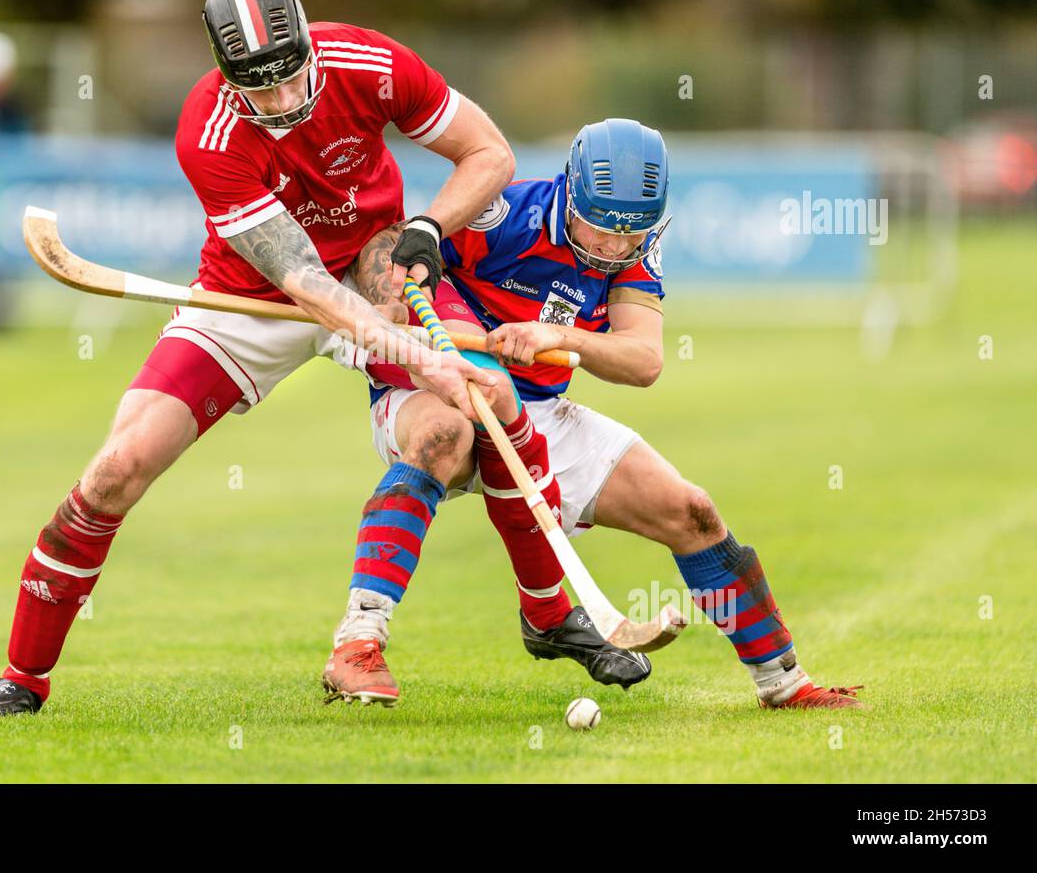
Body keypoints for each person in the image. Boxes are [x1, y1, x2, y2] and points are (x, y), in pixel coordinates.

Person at [0, 0, 511, 717]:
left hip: (370, 260)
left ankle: (428, 633)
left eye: (291, 78)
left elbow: (490, 154)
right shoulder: (208, 132)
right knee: (116, 470)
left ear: (308, 44)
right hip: (251, 298)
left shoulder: (371, 65)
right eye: (260, 90)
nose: (283, 103)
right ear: (227, 78)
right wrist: (420, 354)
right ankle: (21, 681)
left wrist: (428, 228)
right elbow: (304, 284)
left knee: (463, 422)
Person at [331, 118, 864, 710]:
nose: (614, 246)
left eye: (631, 232)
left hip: (537, 410)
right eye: (602, 227)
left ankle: (783, 683)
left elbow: (644, 361)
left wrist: (559, 336)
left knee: (691, 511)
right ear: (571, 192)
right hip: (426, 389)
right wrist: (444, 323)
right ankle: (359, 642)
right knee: (442, 435)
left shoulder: (632, 255)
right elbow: (395, 253)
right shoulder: (502, 213)